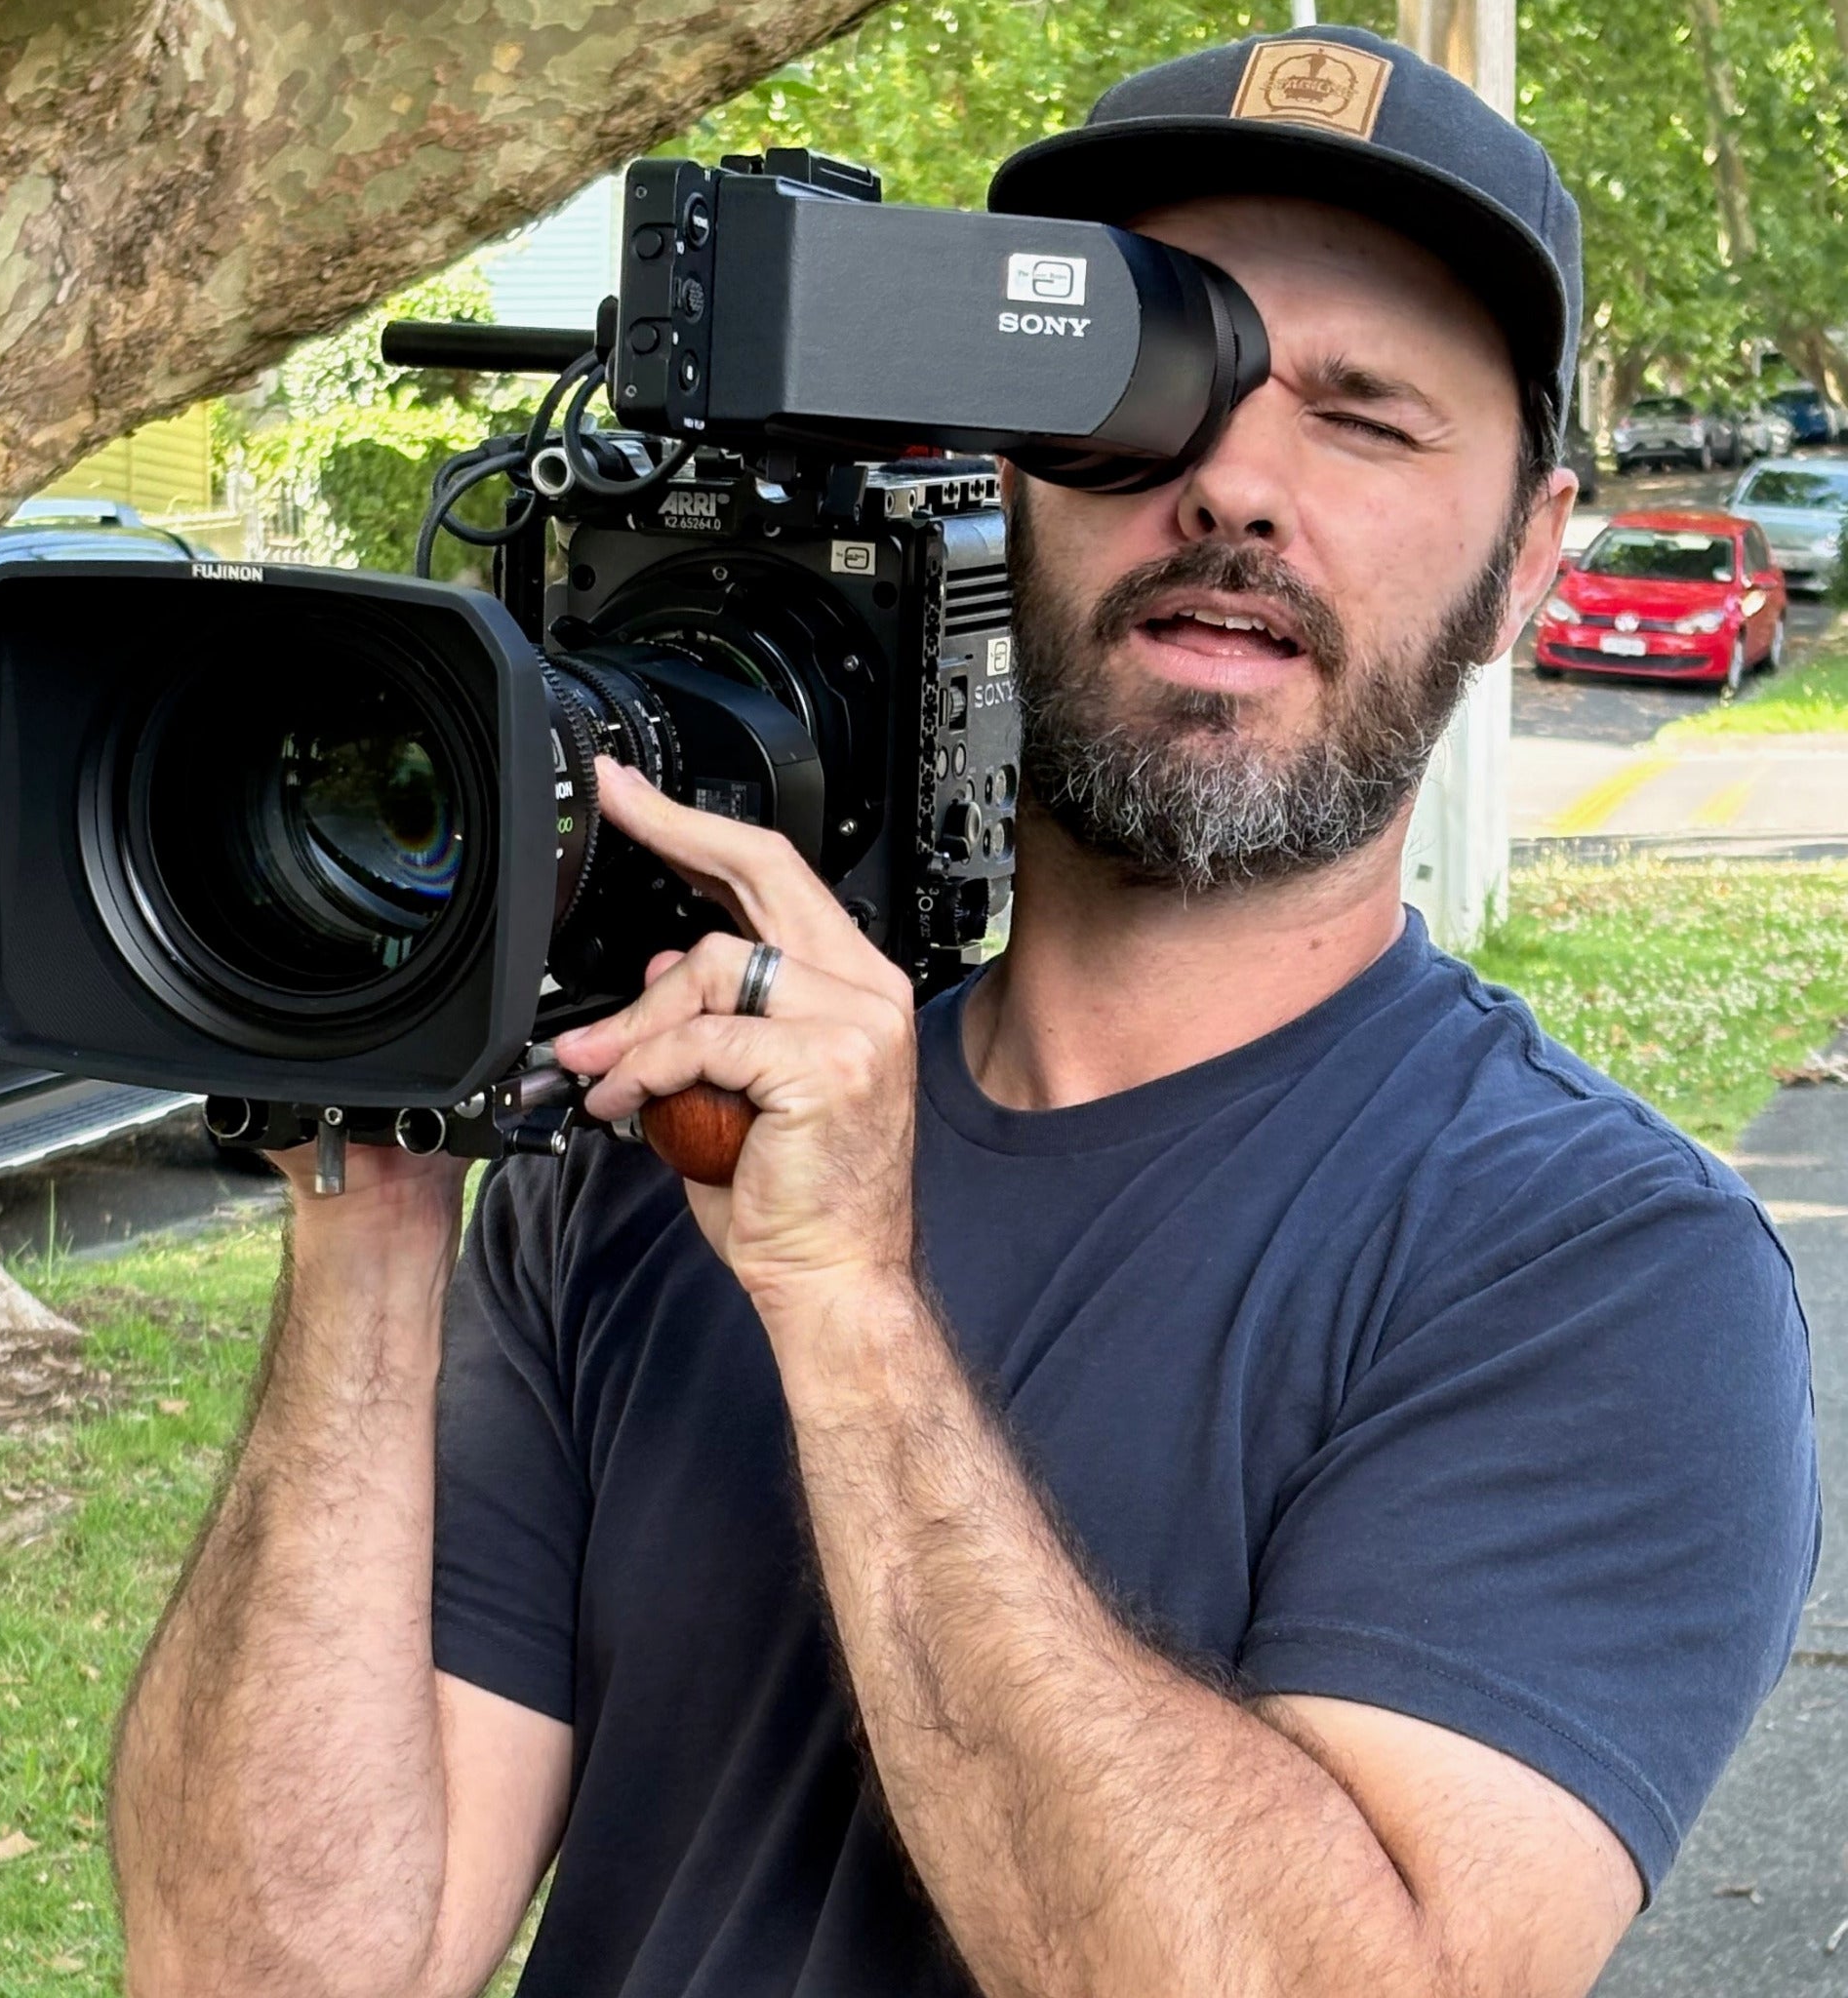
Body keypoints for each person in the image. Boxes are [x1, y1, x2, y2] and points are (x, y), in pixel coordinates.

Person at [109, 25, 1819, 1998]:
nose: (1234, 485)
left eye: (1362, 417)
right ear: (1001, 473)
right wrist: (376, 1177)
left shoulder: (1601, 1271)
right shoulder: (642, 1156)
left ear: (1527, 554)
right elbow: (270, 1971)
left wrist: (849, 1311)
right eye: (1141, 399)